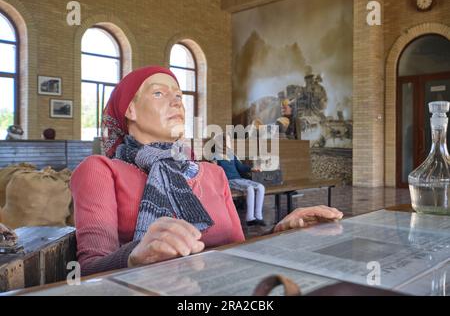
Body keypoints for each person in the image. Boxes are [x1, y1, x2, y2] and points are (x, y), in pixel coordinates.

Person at [70, 66, 344, 276]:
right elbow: (89, 271)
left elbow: (237, 251)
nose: (177, 102)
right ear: (129, 109)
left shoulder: (213, 174)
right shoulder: (100, 170)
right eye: (159, 94)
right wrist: (133, 256)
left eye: (179, 95)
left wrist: (281, 233)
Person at [214, 133, 267, 227]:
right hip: (229, 181)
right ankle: (250, 218)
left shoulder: (231, 155)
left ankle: (259, 216)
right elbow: (216, 172)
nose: (228, 144)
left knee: (261, 187)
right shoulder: (216, 157)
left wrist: (252, 169)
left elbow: (241, 167)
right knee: (250, 188)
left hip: (239, 179)